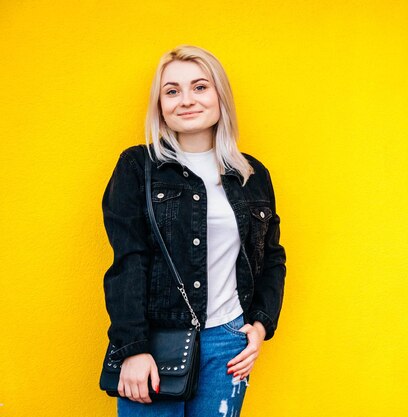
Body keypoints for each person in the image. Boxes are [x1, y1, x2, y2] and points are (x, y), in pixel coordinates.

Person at [101, 45, 286, 416]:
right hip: (155, 343)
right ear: (160, 105)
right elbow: (128, 262)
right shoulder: (138, 167)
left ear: (220, 96)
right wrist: (133, 348)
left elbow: (272, 257)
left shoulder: (252, 175)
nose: (186, 100)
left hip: (228, 344)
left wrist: (260, 325)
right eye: (172, 91)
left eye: (200, 87)